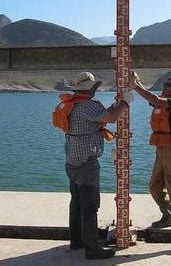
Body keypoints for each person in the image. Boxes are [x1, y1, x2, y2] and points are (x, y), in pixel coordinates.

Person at [53, 71, 134, 260]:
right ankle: (92, 249)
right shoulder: (87, 106)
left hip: (71, 160)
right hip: (86, 163)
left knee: (77, 203)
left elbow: (104, 115)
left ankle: (77, 241)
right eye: (94, 88)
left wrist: (117, 105)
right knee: (90, 206)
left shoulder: (71, 104)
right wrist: (125, 102)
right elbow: (111, 117)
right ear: (90, 89)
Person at [128, 72, 171, 253]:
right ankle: (167, 216)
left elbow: (157, 100)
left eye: (170, 86)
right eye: (165, 85)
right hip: (162, 145)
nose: (166, 87)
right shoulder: (163, 101)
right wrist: (137, 81)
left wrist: (134, 85)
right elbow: (152, 99)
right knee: (155, 186)